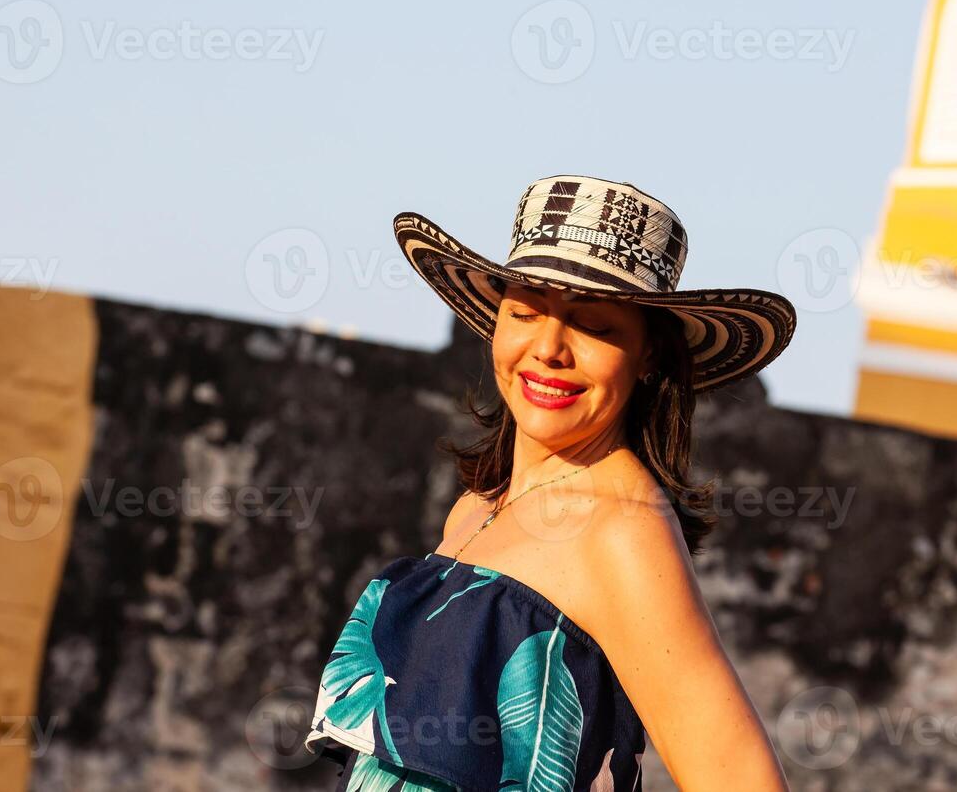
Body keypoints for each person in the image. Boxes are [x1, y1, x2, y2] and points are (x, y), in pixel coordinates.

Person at [306, 174, 797, 791]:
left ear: (647, 357)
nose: (549, 349)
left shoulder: (624, 530)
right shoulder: (473, 511)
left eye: (593, 326)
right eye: (526, 312)